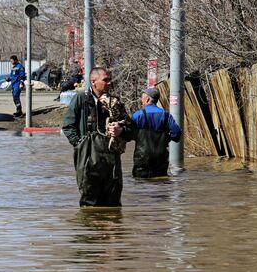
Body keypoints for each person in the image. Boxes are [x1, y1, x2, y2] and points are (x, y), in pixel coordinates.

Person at [61, 67, 137, 207]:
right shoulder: (81, 99)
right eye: (105, 80)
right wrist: (80, 144)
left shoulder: (115, 102)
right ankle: (91, 228)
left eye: (109, 79)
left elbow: (133, 130)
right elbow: (67, 126)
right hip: (88, 156)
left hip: (111, 157)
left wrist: (121, 131)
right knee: (89, 200)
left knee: (113, 201)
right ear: (93, 81)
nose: (109, 83)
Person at [130, 87, 183, 178]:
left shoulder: (137, 115)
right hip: (161, 159)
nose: (141, 100)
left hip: (142, 159)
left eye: (142, 98)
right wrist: (167, 138)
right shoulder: (165, 115)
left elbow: (128, 134)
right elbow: (176, 133)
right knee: (161, 183)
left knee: (141, 185)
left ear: (147, 99)